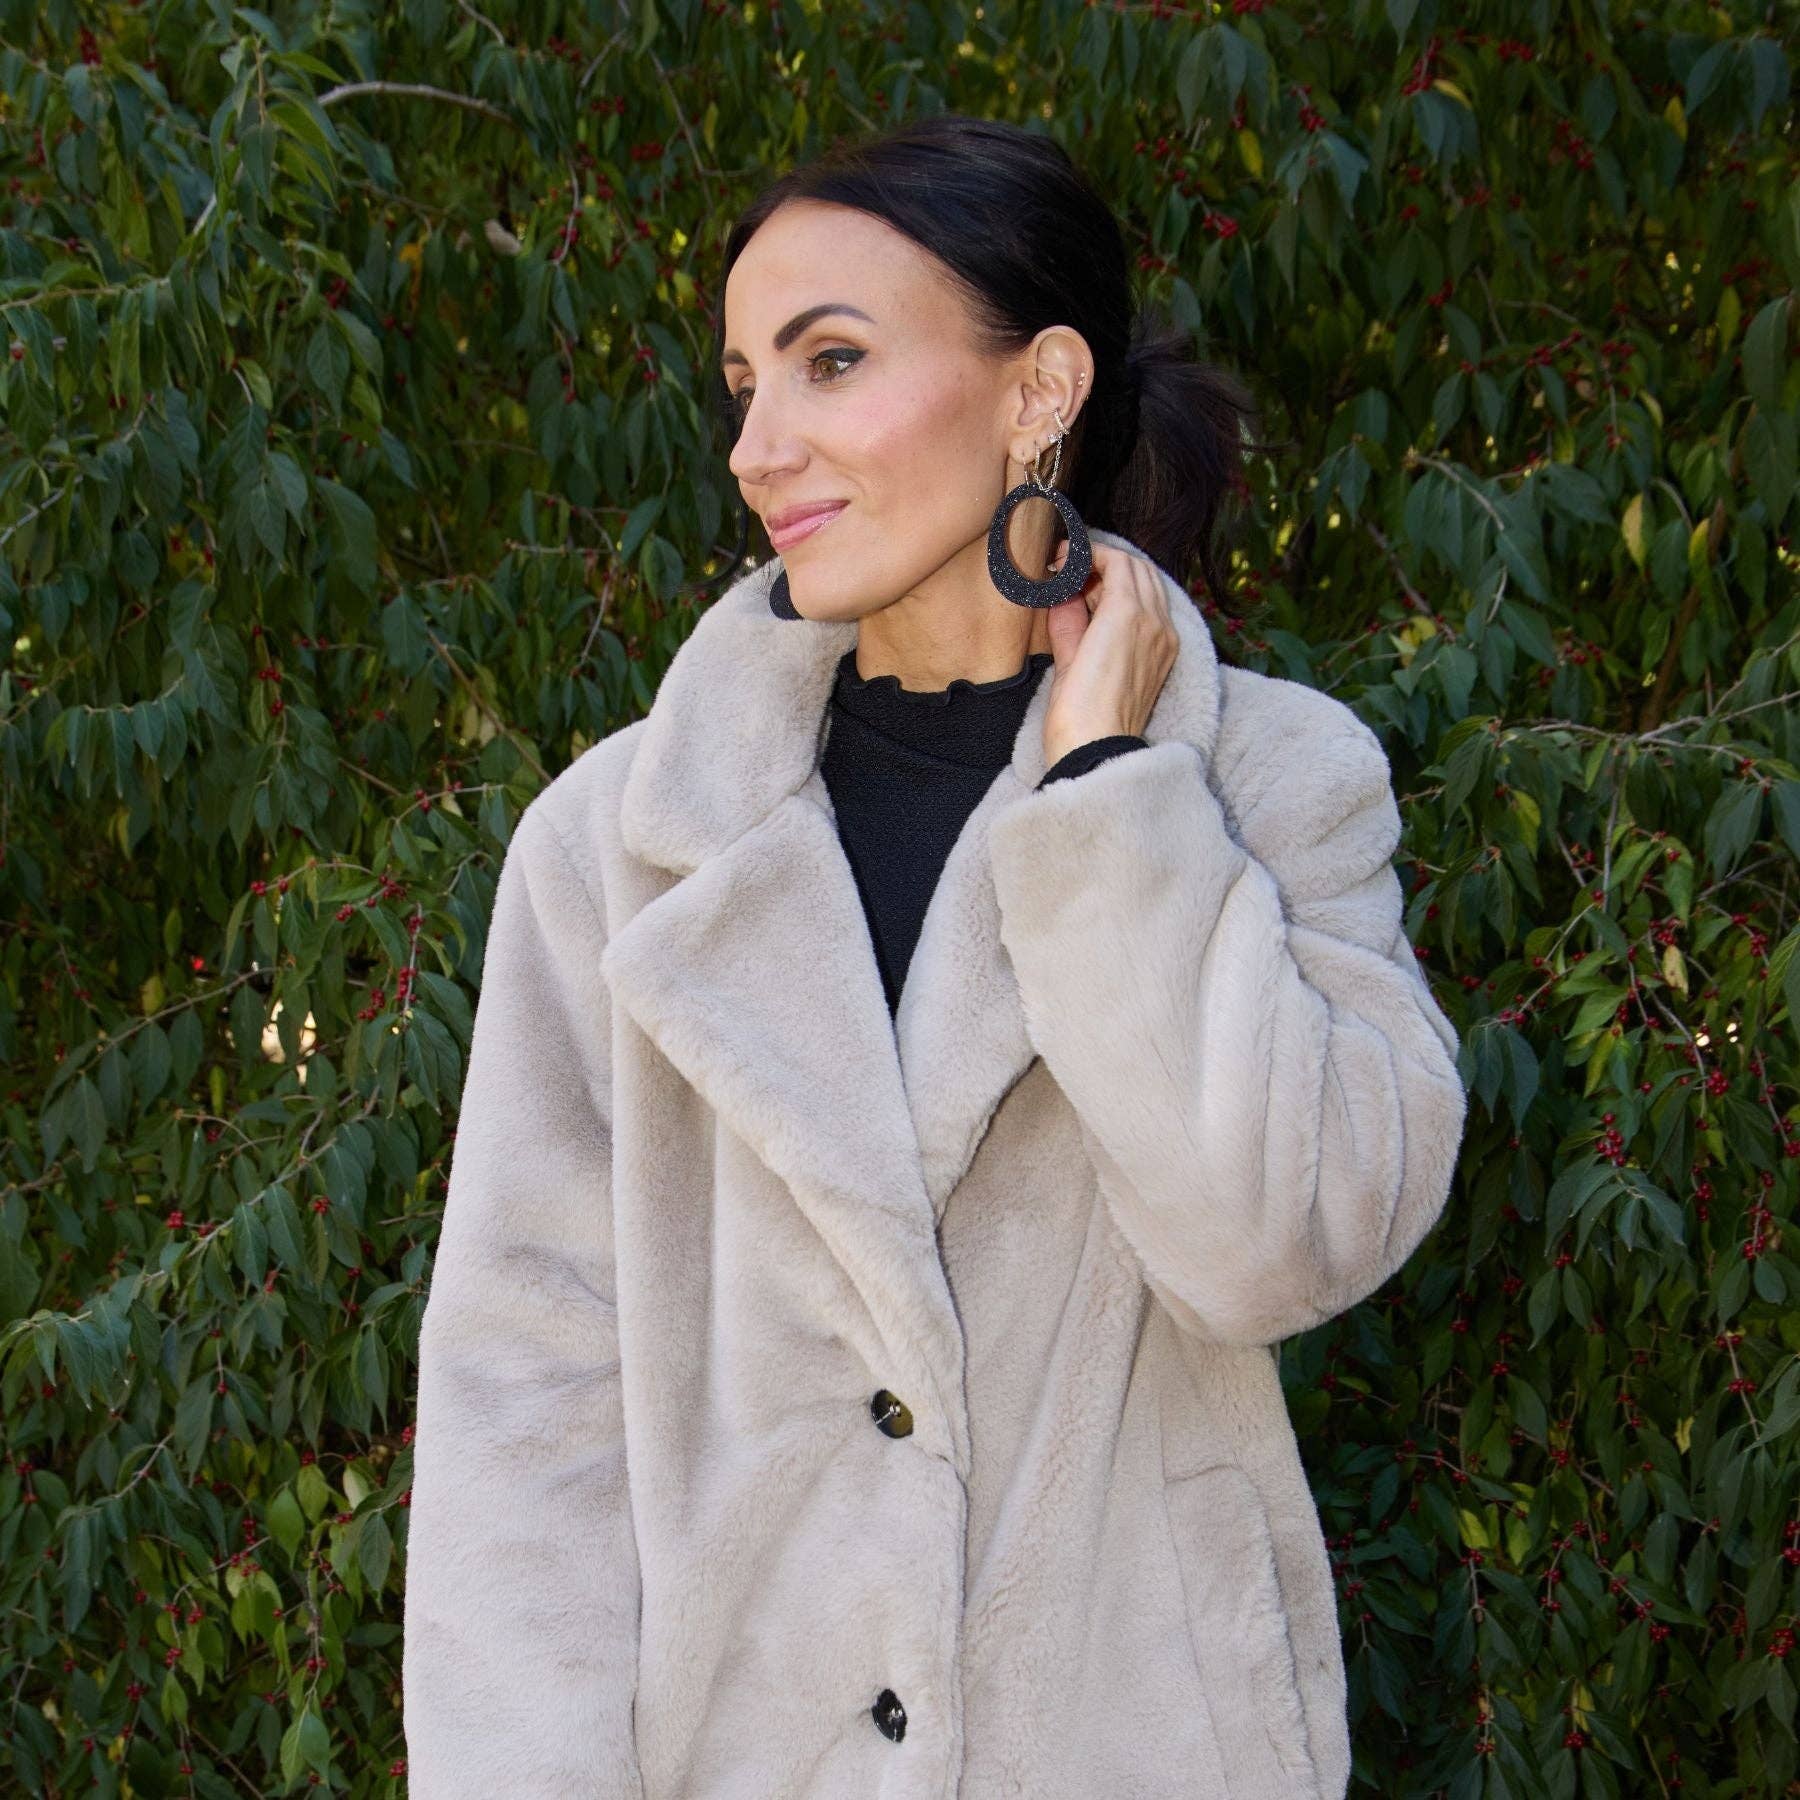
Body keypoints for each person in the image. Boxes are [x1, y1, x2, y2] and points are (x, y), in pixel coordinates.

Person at [400, 113, 1467, 1798]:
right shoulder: (617, 847)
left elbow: (1275, 1249)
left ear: (1040, 388)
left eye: (829, 362)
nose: (758, 446)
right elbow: (523, 1402)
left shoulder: (1272, 784)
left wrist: (1113, 801)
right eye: (744, 382)